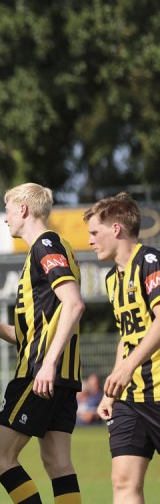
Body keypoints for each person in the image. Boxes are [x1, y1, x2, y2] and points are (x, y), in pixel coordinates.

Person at [0, 183, 85, 503]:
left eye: (7, 210)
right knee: (57, 463)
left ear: (23, 209)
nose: (6, 218)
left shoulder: (45, 245)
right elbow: (38, 332)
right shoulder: (59, 246)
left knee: (0, 458)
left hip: (38, 374)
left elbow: (74, 304)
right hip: (60, 376)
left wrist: (48, 363)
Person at [84, 192, 160, 503]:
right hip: (131, 399)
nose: (90, 240)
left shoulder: (150, 262)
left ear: (116, 229)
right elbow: (128, 337)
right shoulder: (112, 279)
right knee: (123, 482)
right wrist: (111, 390)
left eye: (94, 232)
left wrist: (128, 367)